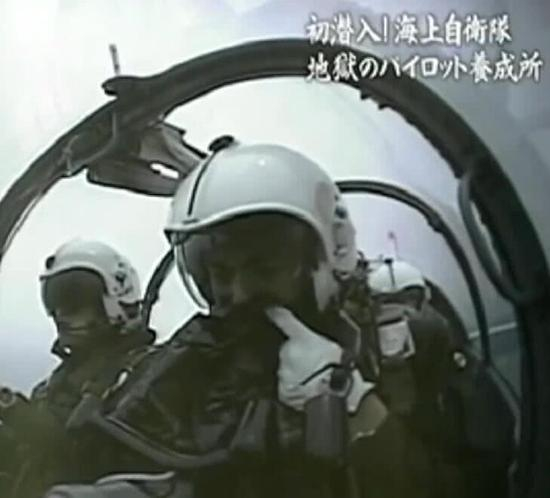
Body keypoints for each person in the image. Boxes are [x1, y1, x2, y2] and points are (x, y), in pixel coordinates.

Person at [3, 239, 156, 498]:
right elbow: (25, 454)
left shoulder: (145, 373)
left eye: (74, 300)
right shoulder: (56, 384)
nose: (61, 313)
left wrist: (17, 413)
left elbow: (95, 456)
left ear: (116, 295)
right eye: (55, 302)